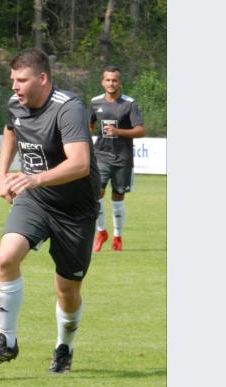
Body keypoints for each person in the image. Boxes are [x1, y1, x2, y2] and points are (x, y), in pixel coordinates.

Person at [0, 48, 100, 375]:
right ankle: (7, 342)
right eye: (13, 79)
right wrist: (2, 174)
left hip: (75, 210)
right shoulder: (15, 104)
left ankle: (63, 348)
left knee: (67, 291)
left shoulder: (68, 108)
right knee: (6, 257)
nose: (14, 86)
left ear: (42, 79)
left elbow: (81, 164)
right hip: (37, 199)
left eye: (21, 80)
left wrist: (34, 178)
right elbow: (10, 131)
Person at [89, 66, 145, 252]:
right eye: (108, 80)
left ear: (119, 82)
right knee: (95, 195)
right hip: (101, 156)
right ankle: (101, 232)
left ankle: (117, 237)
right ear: (102, 82)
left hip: (123, 158)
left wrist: (118, 131)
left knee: (118, 198)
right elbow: (89, 126)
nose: (111, 83)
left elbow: (140, 130)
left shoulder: (129, 103)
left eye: (114, 80)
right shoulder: (95, 102)